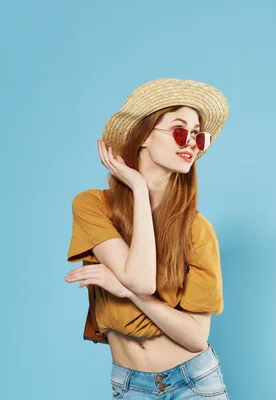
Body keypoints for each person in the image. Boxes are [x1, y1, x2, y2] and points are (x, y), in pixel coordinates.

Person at [64, 78, 230, 399]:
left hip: (193, 380)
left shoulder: (197, 229)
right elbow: (141, 278)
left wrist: (127, 292)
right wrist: (139, 188)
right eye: (181, 131)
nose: (191, 144)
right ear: (142, 136)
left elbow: (196, 337)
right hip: (129, 384)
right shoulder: (93, 205)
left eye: (198, 136)